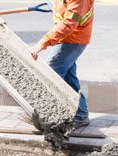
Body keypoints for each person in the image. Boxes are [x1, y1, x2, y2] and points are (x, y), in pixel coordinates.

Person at [30, 0, 94, 129]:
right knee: (68, 78)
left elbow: (69, 23)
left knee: (51, 74)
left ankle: (49, 115)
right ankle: (80, 114)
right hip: (67, 38)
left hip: (73, 39)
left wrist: (43, 42)